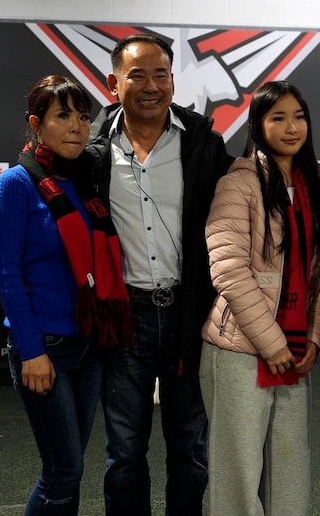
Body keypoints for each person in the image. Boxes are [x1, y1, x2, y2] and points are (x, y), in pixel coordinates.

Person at [88, 33, 233, 516]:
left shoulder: (205, 145)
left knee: (190, 448)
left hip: (189, 315)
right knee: (124, 452)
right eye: (137, 75)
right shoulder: (89, 152)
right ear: (113, 83)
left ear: (173, 80)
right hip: (123, 317)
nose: (151, 86)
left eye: (161, 74)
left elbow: (254, 197)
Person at [0, 75, 132, 515]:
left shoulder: (87, 182)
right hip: (45, 348)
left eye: (84, 117)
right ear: (37, 123)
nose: (77, 127)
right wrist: (31, 352)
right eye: (63, 116)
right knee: (62, 470)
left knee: (70, 470)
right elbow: (6, 274)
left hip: (90, 345)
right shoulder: (16, 183)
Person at [198, 81, 320, 515]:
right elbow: (229, 270)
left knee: (291, 469)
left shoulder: (316, 183)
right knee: (236, 475)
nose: (291, 126)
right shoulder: (238, 184)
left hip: (295, 350)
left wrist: (314, 337)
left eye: (298, 116)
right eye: (278, 117)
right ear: (258, 125)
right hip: (241, 349)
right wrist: (271, 342)